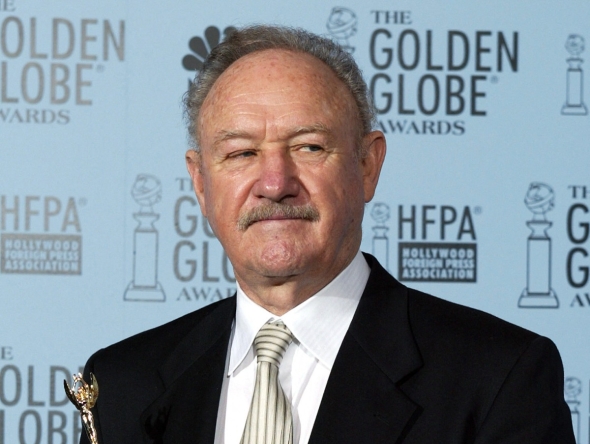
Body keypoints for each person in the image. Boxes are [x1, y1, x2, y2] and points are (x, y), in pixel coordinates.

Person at [79, 25, 575, 443]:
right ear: (201, 183)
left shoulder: (498, 378)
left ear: (367, 165)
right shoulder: (121, 385)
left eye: (309, 146)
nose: (275, 184)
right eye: (241, 153)